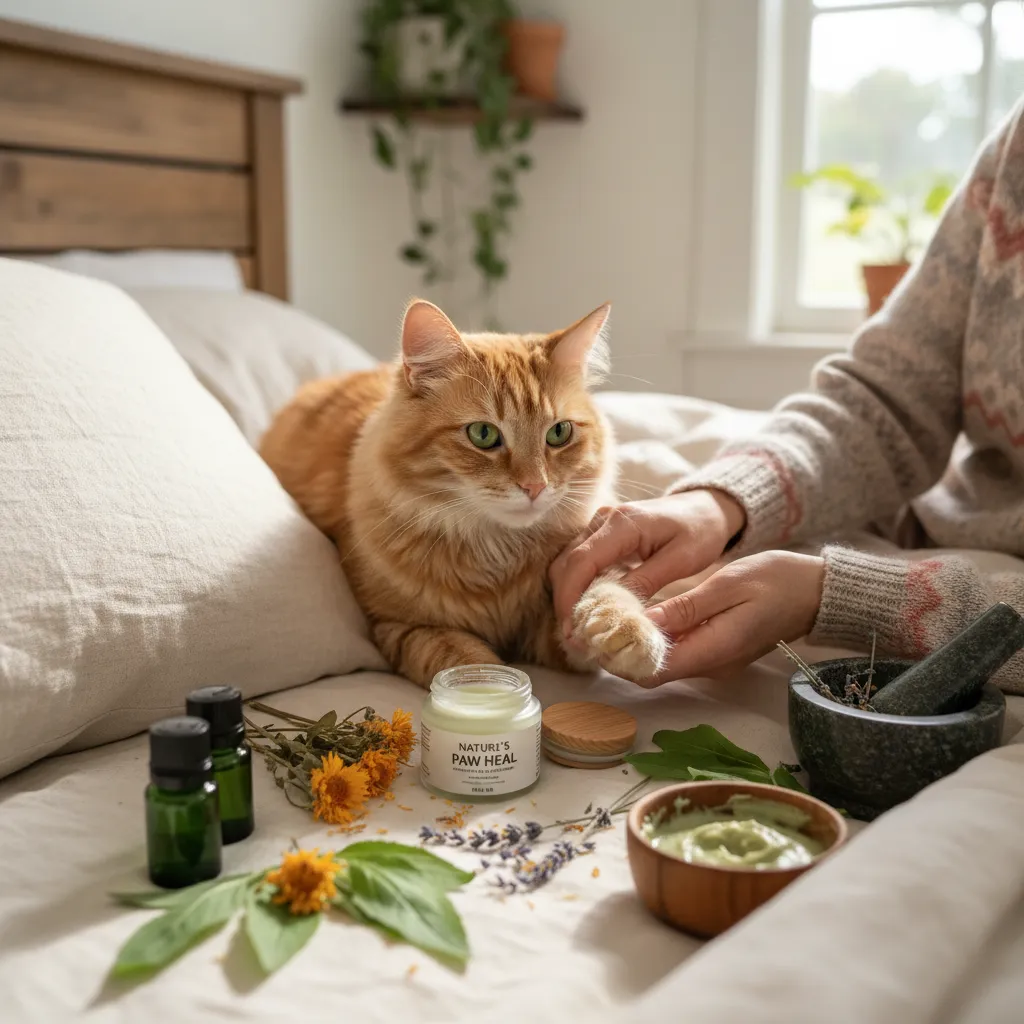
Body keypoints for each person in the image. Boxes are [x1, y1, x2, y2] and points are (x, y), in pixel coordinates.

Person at [550, 103, 1024, 693]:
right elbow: (886, 399)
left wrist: (836, 598)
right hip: (931, 527)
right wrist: (721, 503)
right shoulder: (1016, 148)